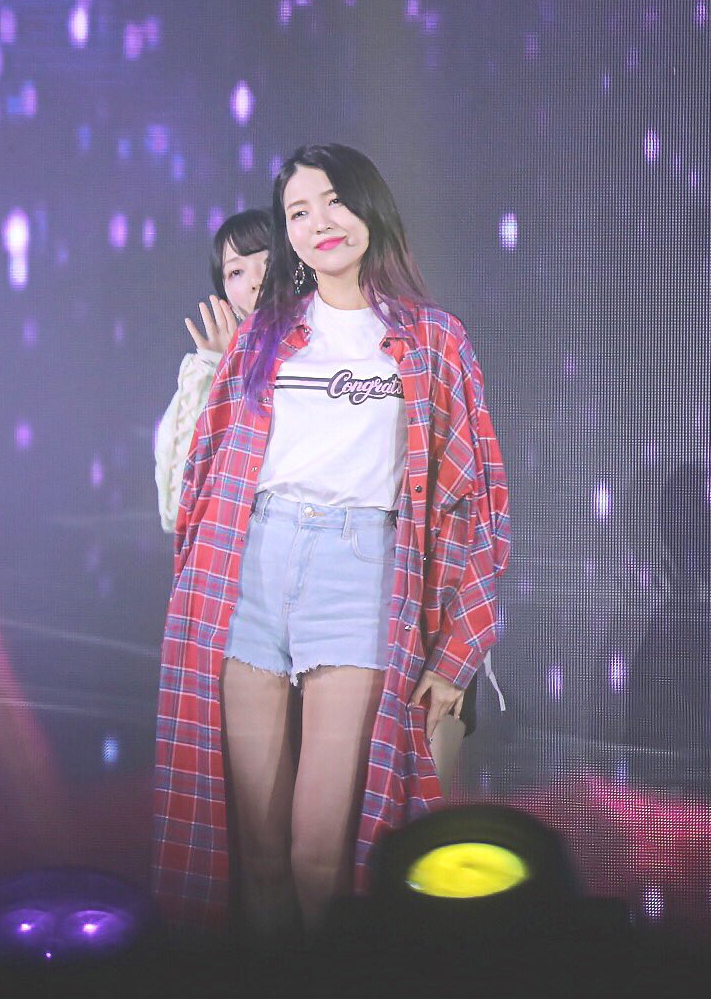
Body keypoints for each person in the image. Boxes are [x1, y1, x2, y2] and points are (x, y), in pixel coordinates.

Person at [152, 144, 511, 939]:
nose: (320, 222)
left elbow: (474, 498)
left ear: (368, 206)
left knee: (320, 850)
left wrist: (457, 649)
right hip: (252, 566)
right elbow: (191, 485)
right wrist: (204, 369)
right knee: (259, 851)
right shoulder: (264, 335)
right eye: (298, 211)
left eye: (333, 201)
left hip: (359, 570)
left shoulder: (433, 340)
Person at [154, 209, 272, 534]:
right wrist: (217, 370)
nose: (256, 281)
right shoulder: (211, 371)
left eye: (270, 261)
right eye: (236, 272)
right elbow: (175, 509)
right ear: (224, 298)